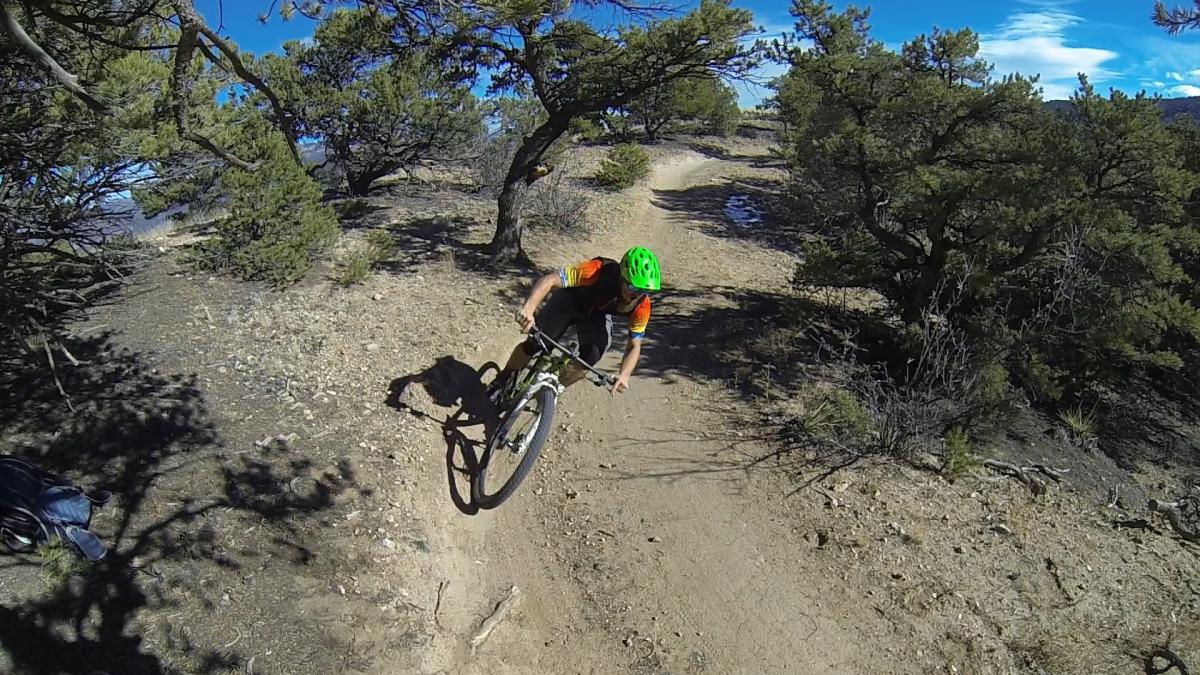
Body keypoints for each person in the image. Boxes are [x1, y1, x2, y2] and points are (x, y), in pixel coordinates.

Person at [498, 246, 660, 396]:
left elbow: (634, 345)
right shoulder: (596, 270)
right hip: (570, 300)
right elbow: (550, 280)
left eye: (644, 290)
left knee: (591, 356)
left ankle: (550, 391)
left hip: (596, 315)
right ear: (621, 277)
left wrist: (624, 375)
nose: (637, 294)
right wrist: (529, 308)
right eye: (633, 287)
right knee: (536, 343)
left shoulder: (642, 305)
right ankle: (502, 378)